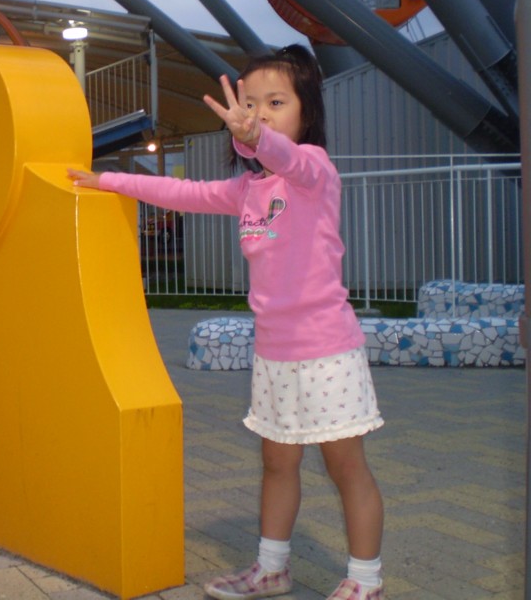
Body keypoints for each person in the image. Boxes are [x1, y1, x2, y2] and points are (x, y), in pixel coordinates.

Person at [68, 45, 385, 600]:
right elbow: (182, 193)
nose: (259, 114)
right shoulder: (247, 191)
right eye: (251, 103)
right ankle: (272, 569)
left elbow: (288, 158)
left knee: (346, 468)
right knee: (277, 464)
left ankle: (365, 582)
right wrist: (109, 181)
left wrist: (257, 135)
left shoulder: (314, 171)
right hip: (274, 354)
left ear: (307, 112)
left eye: (276, 103)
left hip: (327, 352)